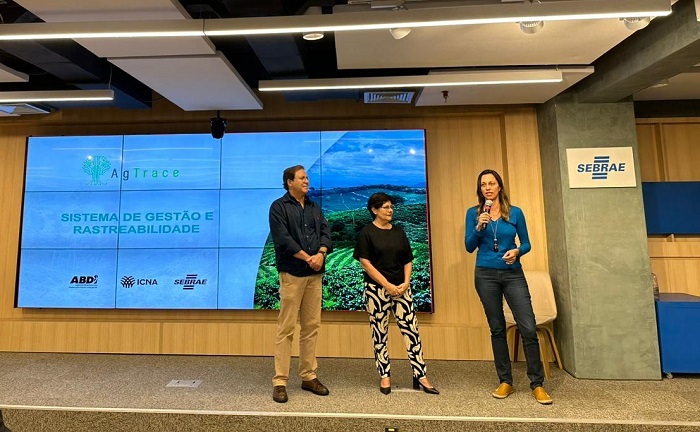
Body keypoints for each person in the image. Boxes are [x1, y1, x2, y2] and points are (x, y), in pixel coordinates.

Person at [464, 169, 553, 405]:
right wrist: (478, 227)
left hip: (513, 274)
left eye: (491, 183)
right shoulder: (474, 214)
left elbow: (526, 244)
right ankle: (506, 381)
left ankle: (537, 383)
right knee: (497, 329)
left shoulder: (515, 213)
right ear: (480, 189)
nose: (488, 188)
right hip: (485, 275)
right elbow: (468, 246)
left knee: (528, 327)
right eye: (483, 185)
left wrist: (517, 251)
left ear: (499, 187)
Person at [354, 192, 439, 395]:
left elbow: (407, 259)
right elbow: (365, 262)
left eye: (391, 207)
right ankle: (385, 376)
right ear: (374, 210)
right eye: (385, 207)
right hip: (376, 290)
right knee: (379, 334)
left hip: (402, 289)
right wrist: (386, 285)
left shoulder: (399, 232)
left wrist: (406, 282)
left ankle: (421, 375)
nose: (390, 210)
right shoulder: (366, 233)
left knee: (412, 332)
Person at [269, 165, 332, 404]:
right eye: (302, 178)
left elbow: (326, 233)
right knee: (286, 328)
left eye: (307, 178)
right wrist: (308, 257)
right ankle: (280, 381)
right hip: (293, 273)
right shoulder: (278, 207)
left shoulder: (315, 207)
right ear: (289, 182)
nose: (307, 181)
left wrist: (322, 254)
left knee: (311, 326)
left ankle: (308, 376)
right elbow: (283, 239)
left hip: (315, 274)